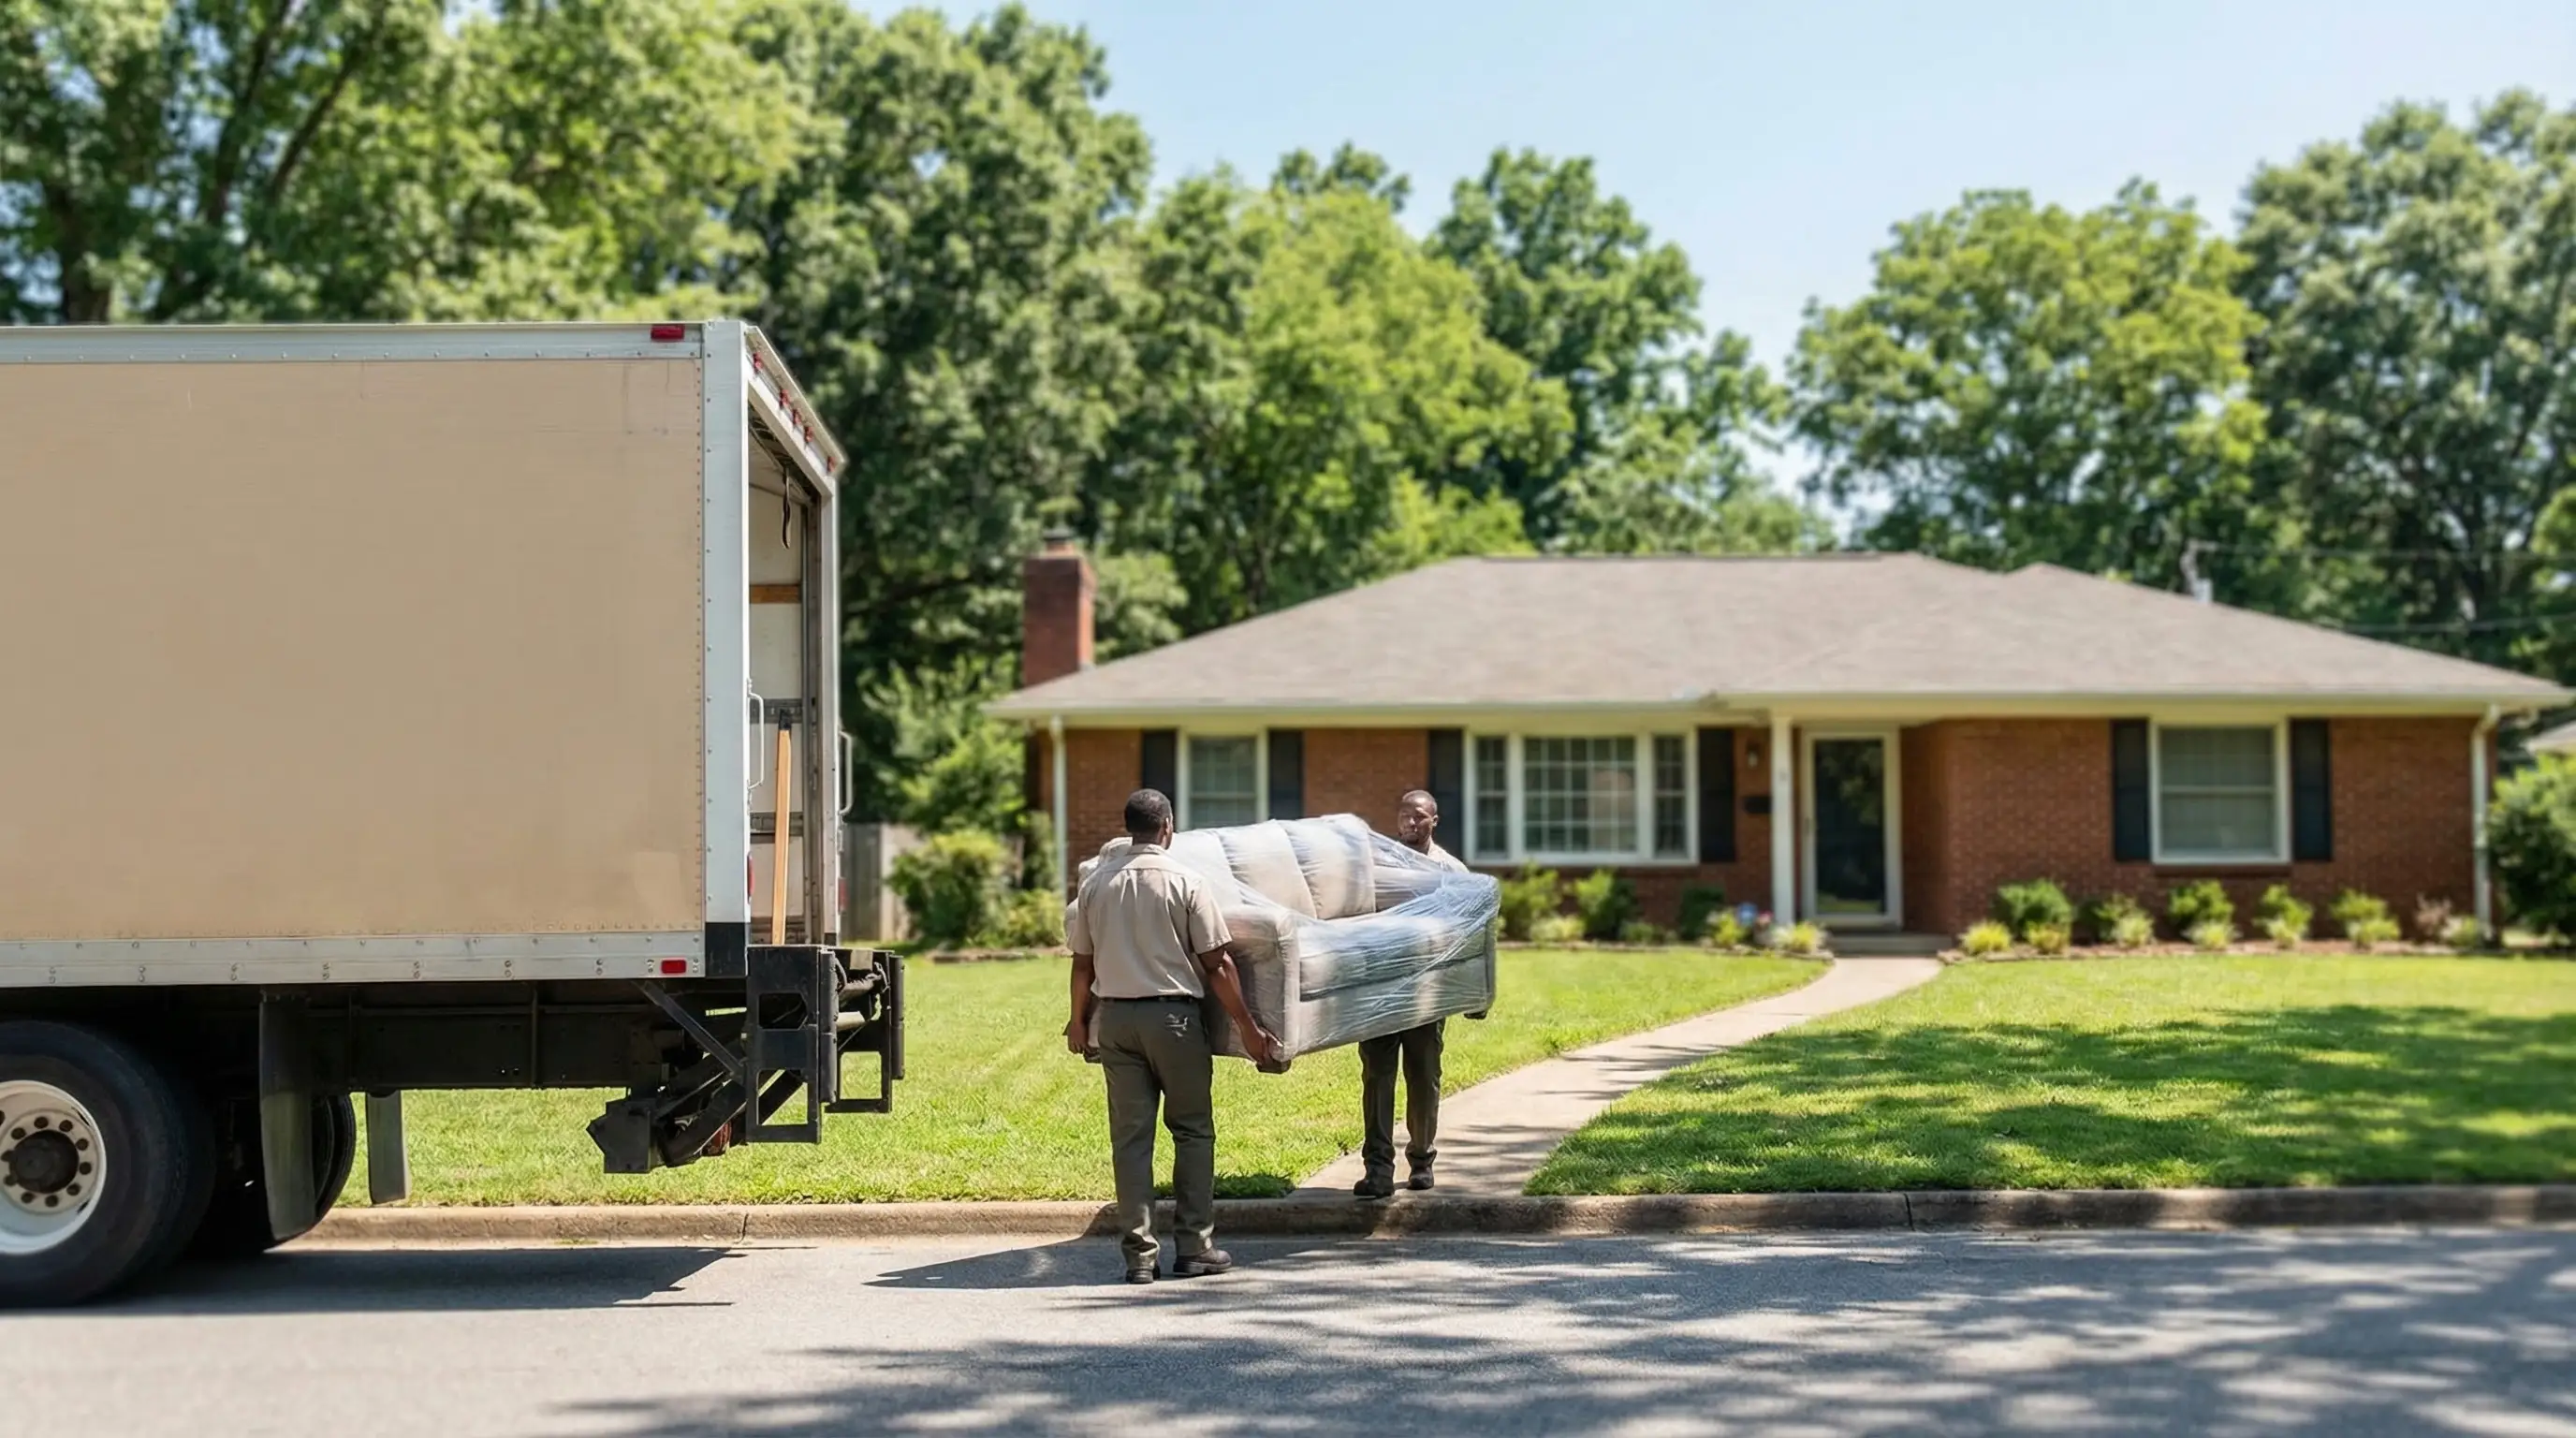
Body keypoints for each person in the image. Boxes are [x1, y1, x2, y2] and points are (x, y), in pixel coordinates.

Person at [1066, 788, 1284, 1284]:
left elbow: (1083, 963)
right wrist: (1249, 1030)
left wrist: (1078, 1022)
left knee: (1131, 1140)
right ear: (1167, 826)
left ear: (1130, 828)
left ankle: (1140, 1257)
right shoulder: (1186, 880)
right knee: (1191, 1131)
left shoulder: (1097, 885)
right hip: (1174, 1020)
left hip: (1118, 1022)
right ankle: (1195, 1247)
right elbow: (1218, 963)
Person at [1354, 788, 1469, 1200]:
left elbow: (1467, 934)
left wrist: (1472, 993)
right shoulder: (1379, 865)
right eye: (1404, 815)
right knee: (1377, 1077)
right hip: (1381, 989)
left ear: (1434, 820)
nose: (1410, 822)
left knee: (1423, 1077)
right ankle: (1378, 1169)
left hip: (1426, 992)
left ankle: (1421, 1160)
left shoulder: (1451, 871)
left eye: (1419, 816)